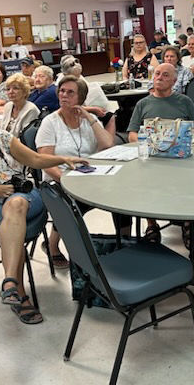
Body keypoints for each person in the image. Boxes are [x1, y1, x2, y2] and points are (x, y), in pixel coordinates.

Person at [0, 93, 85, 324]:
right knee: (14, 225)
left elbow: (34, 159)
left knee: (17, 205)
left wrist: (63, 159)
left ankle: (12, 285)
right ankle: (17, 292)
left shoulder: (3, 138)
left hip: (22, 196)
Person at [37, 76, 126, 268]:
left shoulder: (88, 119)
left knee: (122, 196)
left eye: (70, 92)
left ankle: (125, 243)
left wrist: (88, 117)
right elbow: (45, 161)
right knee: (72, 203)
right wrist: (67, 180)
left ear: (81, 98)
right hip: (58, 178)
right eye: (62, 91)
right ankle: (52, 245)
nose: (64, 95)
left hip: (90, 176)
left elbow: (107, 144)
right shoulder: (50, 123)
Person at [126, 63, 194, 248]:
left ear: (174, 81)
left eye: (165, 75)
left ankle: (187, 222)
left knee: (190, 180)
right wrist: (150, 141)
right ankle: (151, 224)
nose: (159, 77)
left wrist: (180, 138)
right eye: (157, 74)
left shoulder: (185, 102)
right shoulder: (143, 104)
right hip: (152, 158)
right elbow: (131, 134)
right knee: (142, 182)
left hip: (180, 157)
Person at [57, 55, 114, 133]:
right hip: (77, 112)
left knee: (110, 115)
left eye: (77, 62)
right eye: (73, 64)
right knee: (108, 116)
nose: (77, 65)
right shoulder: (63, 84)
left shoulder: (79, 77)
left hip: (87, 107)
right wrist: (93, 109)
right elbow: (69, 107)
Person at [0, 74, 39, 138]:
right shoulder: (8, 106)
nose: (11, 92)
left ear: (24, 91)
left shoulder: (31, 109)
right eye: (8, 89)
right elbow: (1, 131)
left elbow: (25, 138)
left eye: (15, 88)